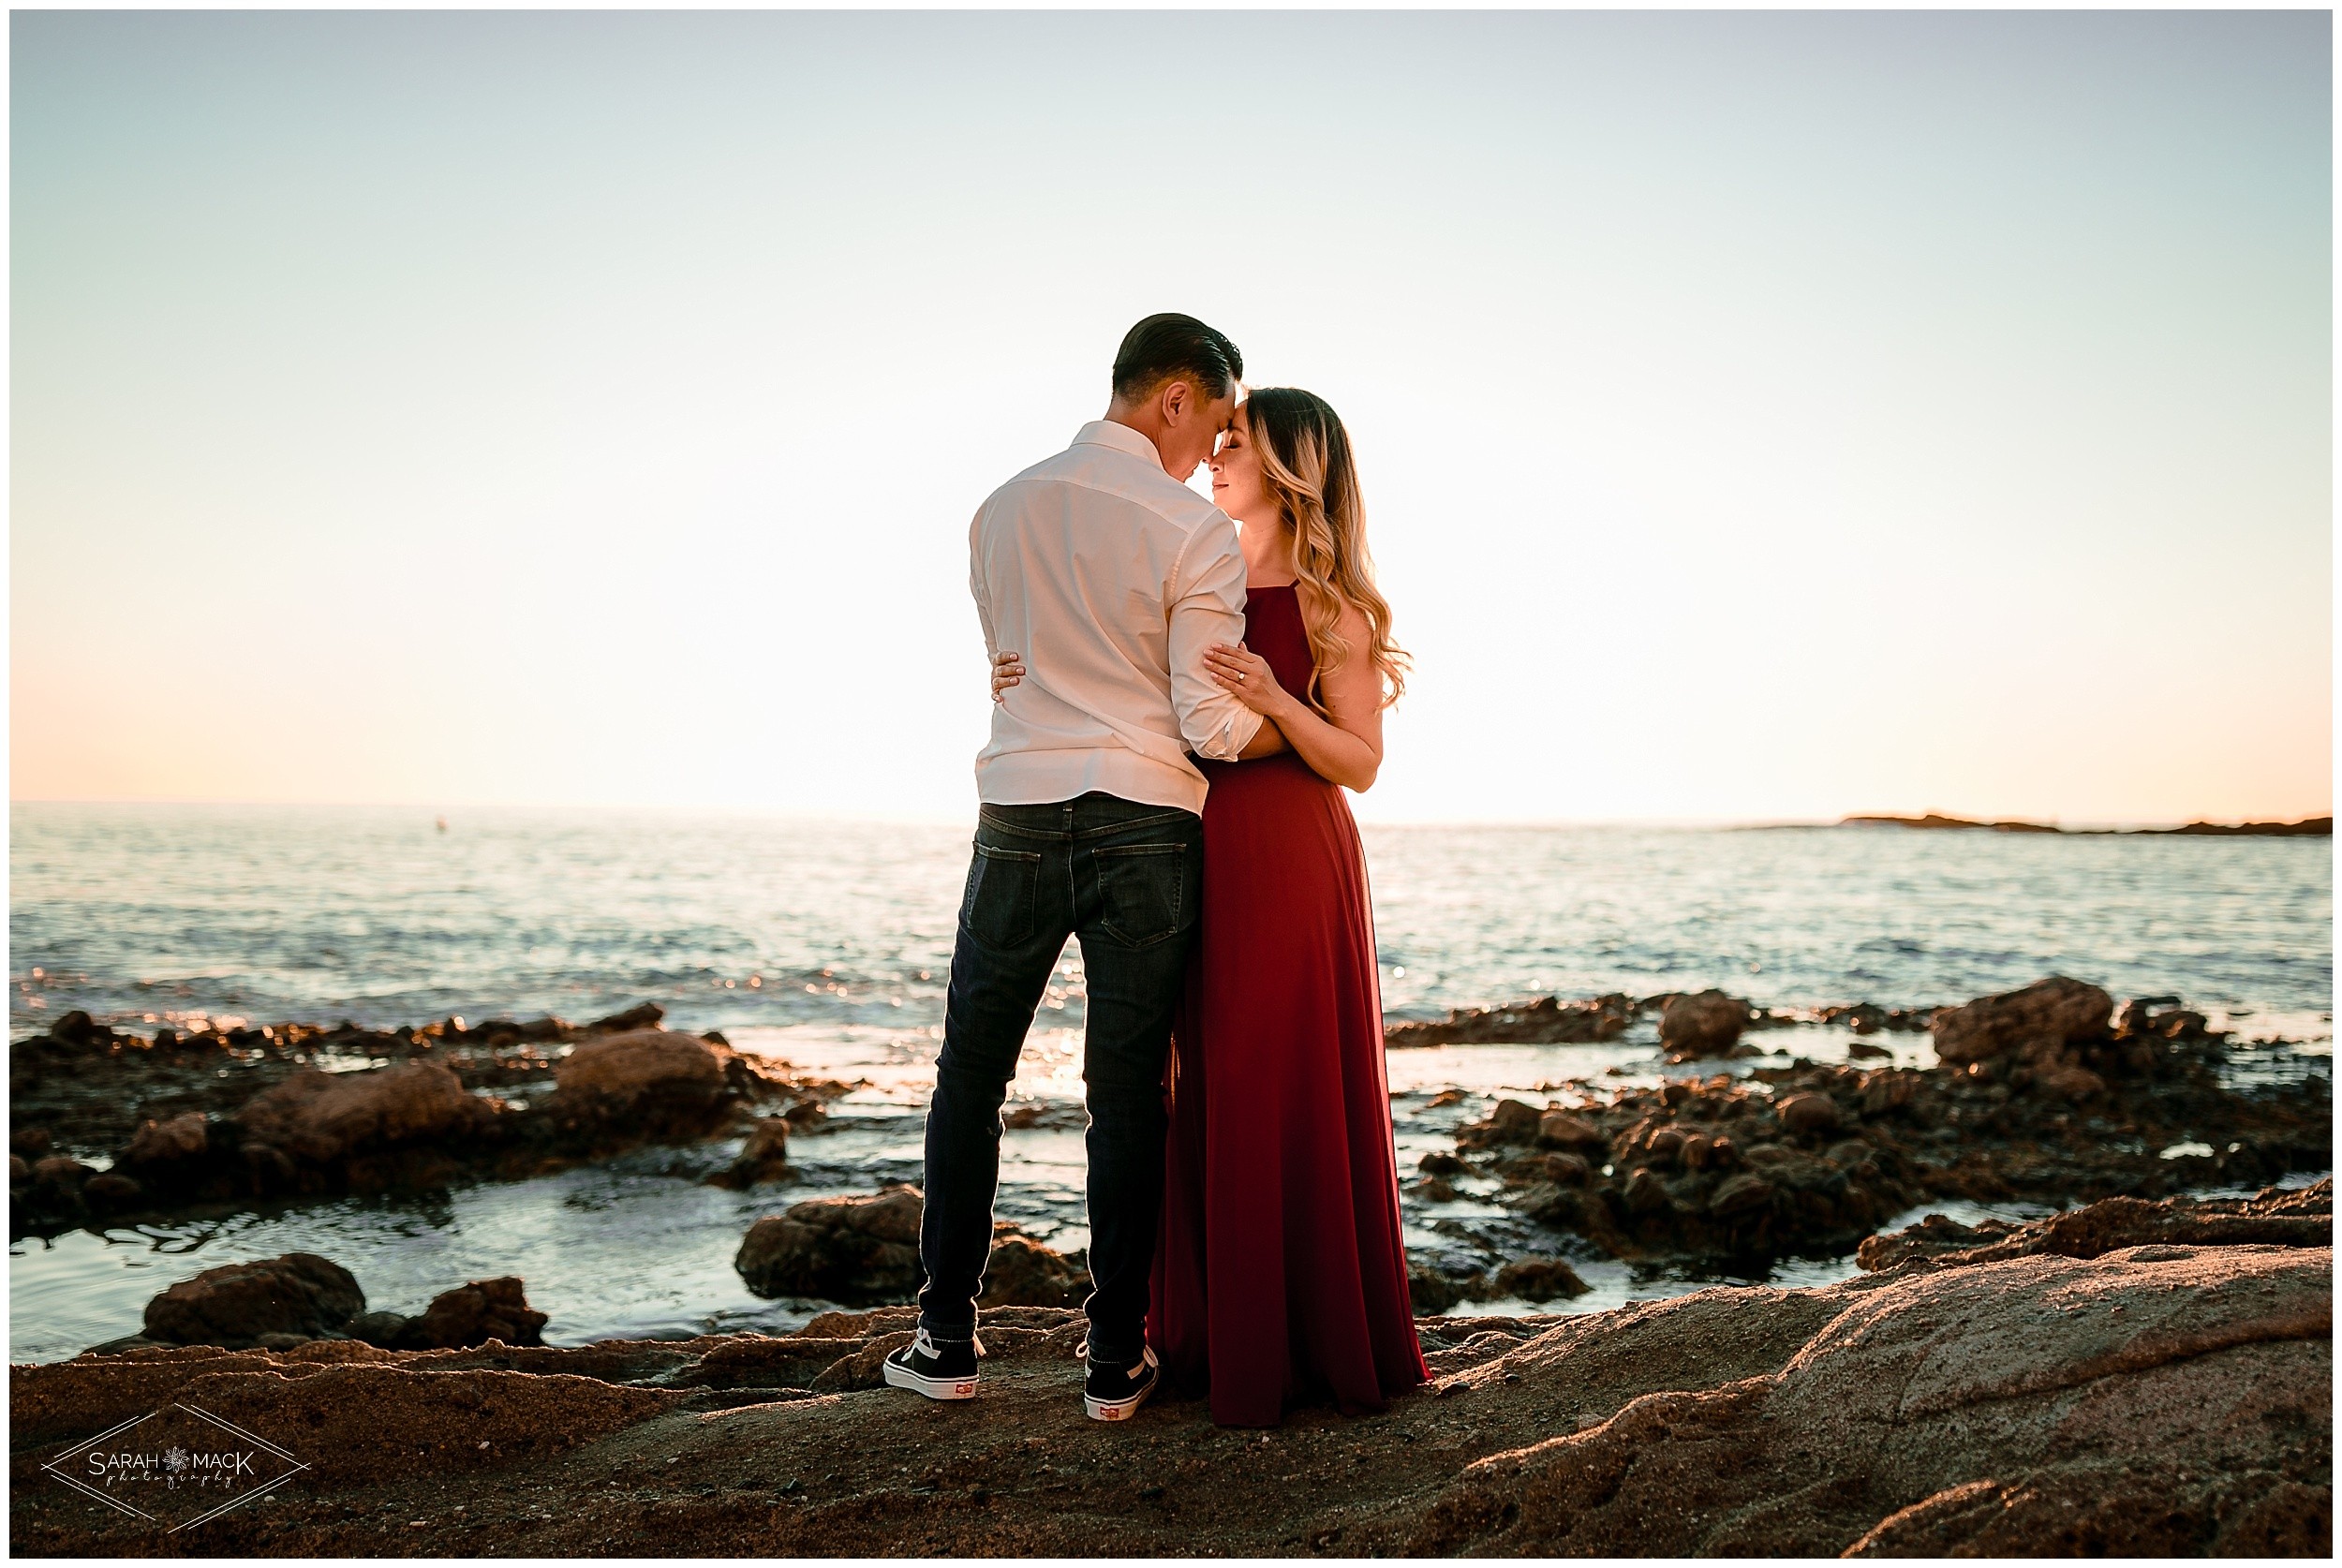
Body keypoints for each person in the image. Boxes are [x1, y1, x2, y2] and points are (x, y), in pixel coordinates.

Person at [992, 387, 1428, 1428]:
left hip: (1289, 854)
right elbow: (1119, 678)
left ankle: (1303, 1343)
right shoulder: (1195, 569)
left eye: (1236, 442)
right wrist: (1020, 669)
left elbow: (1360, 764)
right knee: (1196, 1074)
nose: (1215, 455)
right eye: (1219, 434)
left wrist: (1281, 700)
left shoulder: (1333, 608)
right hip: (1187, 840)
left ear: (1288, 467)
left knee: (1275, 1073)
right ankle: (1201, 1333)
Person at [885, 313, 1288, 1423]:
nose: (1214, 444)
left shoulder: (999, 506)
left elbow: (1004, 665)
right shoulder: (1190, 529)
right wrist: (1306, 733)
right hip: (1146, 817)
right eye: (1213, 415)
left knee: (971, 1077)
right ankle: (1113, 1360)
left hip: (1017, 806)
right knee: (1123, 1099)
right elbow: (1209, 721)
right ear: (1173, 397)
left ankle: (945, 1341)